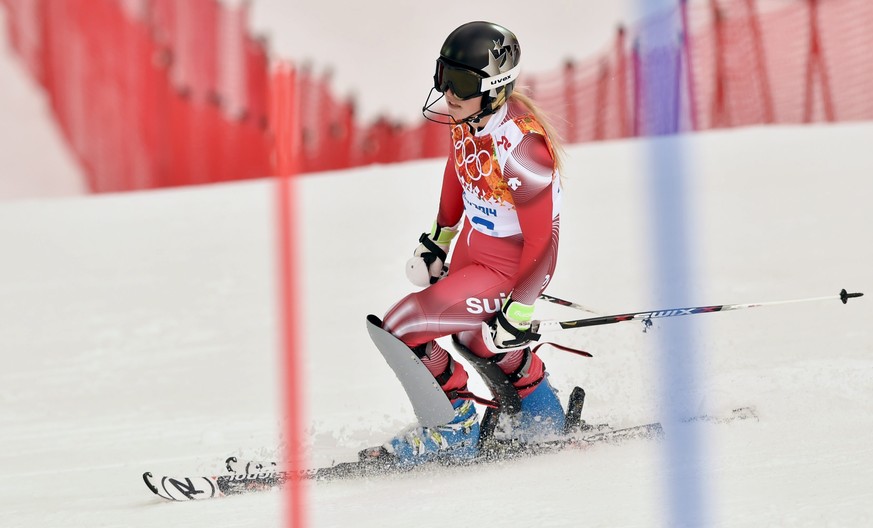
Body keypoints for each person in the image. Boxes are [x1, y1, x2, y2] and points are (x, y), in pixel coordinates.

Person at [369, 21, 567, 466]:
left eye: (460, 82)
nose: (448, 93)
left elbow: (545, 238)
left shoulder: (523, 147)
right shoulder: (468, 118)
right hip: (473, 250)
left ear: (494, 88)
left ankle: (453, 427)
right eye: (443, 76)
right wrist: (439, 239)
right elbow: (457, 176)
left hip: (507, 266)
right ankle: (544, 419)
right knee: (478, 341)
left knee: (403, 326)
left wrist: (520, 307)